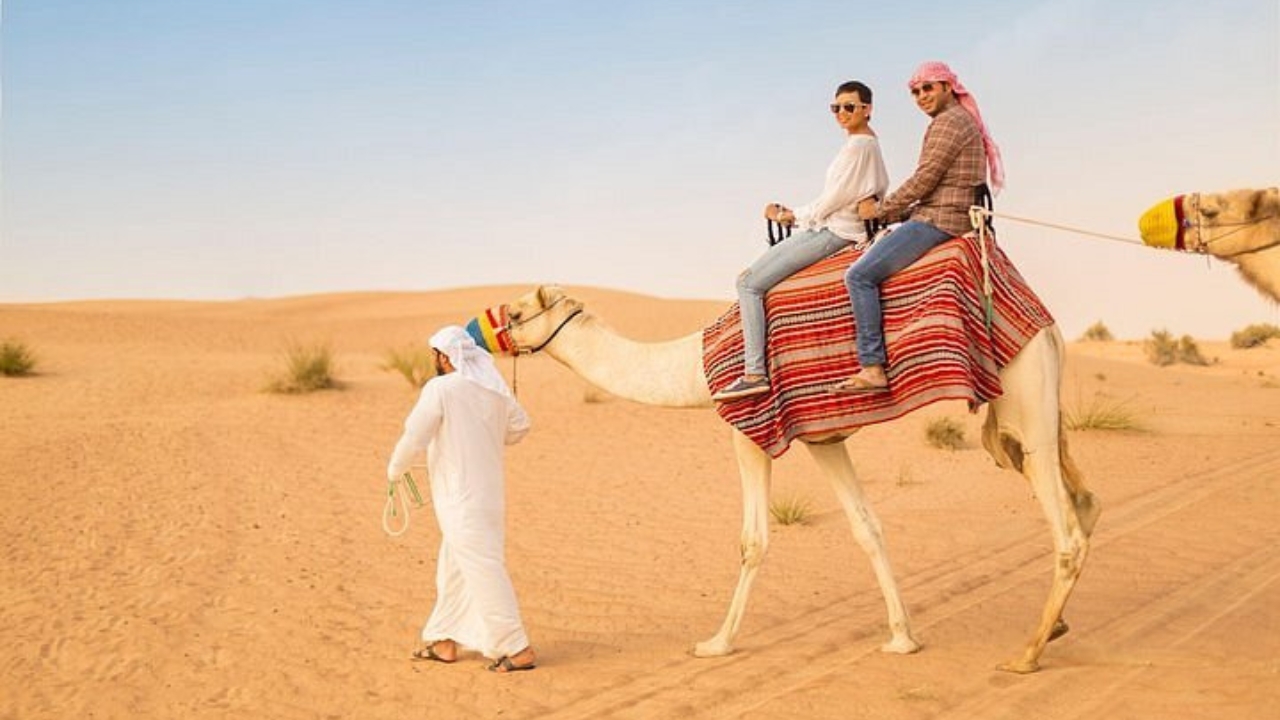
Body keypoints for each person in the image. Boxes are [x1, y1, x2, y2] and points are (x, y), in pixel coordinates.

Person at [830, 61, 1005, 393]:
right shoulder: (956, 120)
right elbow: (933, 188)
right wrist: (894, 214)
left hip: (941, 220)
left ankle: (872, 367)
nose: (921, 96)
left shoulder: (949, 123)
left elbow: (924, 180)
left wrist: (880, 212)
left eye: (928, 88)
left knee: (859, 275)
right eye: (915, 92)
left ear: (948, 87)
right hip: (941, 211)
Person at [712, 80, 890, 402]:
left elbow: (834, 200)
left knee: (749, 285)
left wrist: (792, 216)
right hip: (831, 226)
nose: (841, 114)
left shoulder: (859, 147)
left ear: (867, 109)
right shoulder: (867, 145)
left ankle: (754, 373)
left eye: (849, 107)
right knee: (749, 279)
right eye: (836, 108)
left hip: (834, 232)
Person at [386, 325, 537, 673]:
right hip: (487, 499)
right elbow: (519, 428)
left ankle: (517, 648)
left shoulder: (441, 389)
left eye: (436, 355)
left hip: (460, 500)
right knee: (453, 567)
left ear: (444, 357)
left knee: (483, 569)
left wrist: (395, 470)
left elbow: (415, 436)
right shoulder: (494, 391)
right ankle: (444, 640)